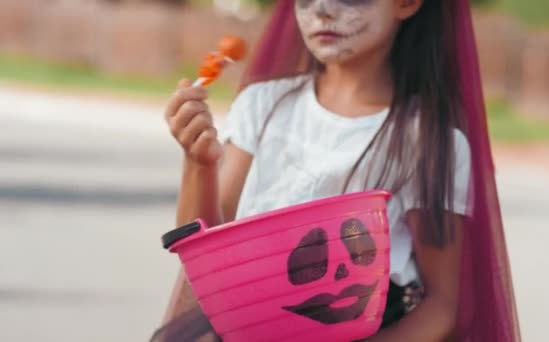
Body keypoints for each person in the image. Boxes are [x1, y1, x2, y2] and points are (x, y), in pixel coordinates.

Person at [152, 0, 520, 341]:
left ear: (407, 3)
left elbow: (442, 305)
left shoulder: (426, 140)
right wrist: (198, 163)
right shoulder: (261, 106)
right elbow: (202, 251)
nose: (324, 9)